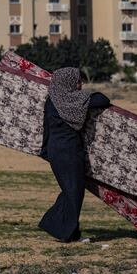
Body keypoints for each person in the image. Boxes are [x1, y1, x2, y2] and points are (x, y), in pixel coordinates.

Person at [39, 67, 110, 242]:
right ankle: (56, 226)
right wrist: (88, 93)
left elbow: (46, 129)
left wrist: (45, 151)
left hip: (55, 150)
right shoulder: (76, 100)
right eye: (78, 81)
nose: (80, 85)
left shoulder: (51, 101)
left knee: (72, 190)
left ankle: (69, 232)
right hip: (70, 151)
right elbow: (103, 100)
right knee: (74, 191)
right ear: (68, 82)